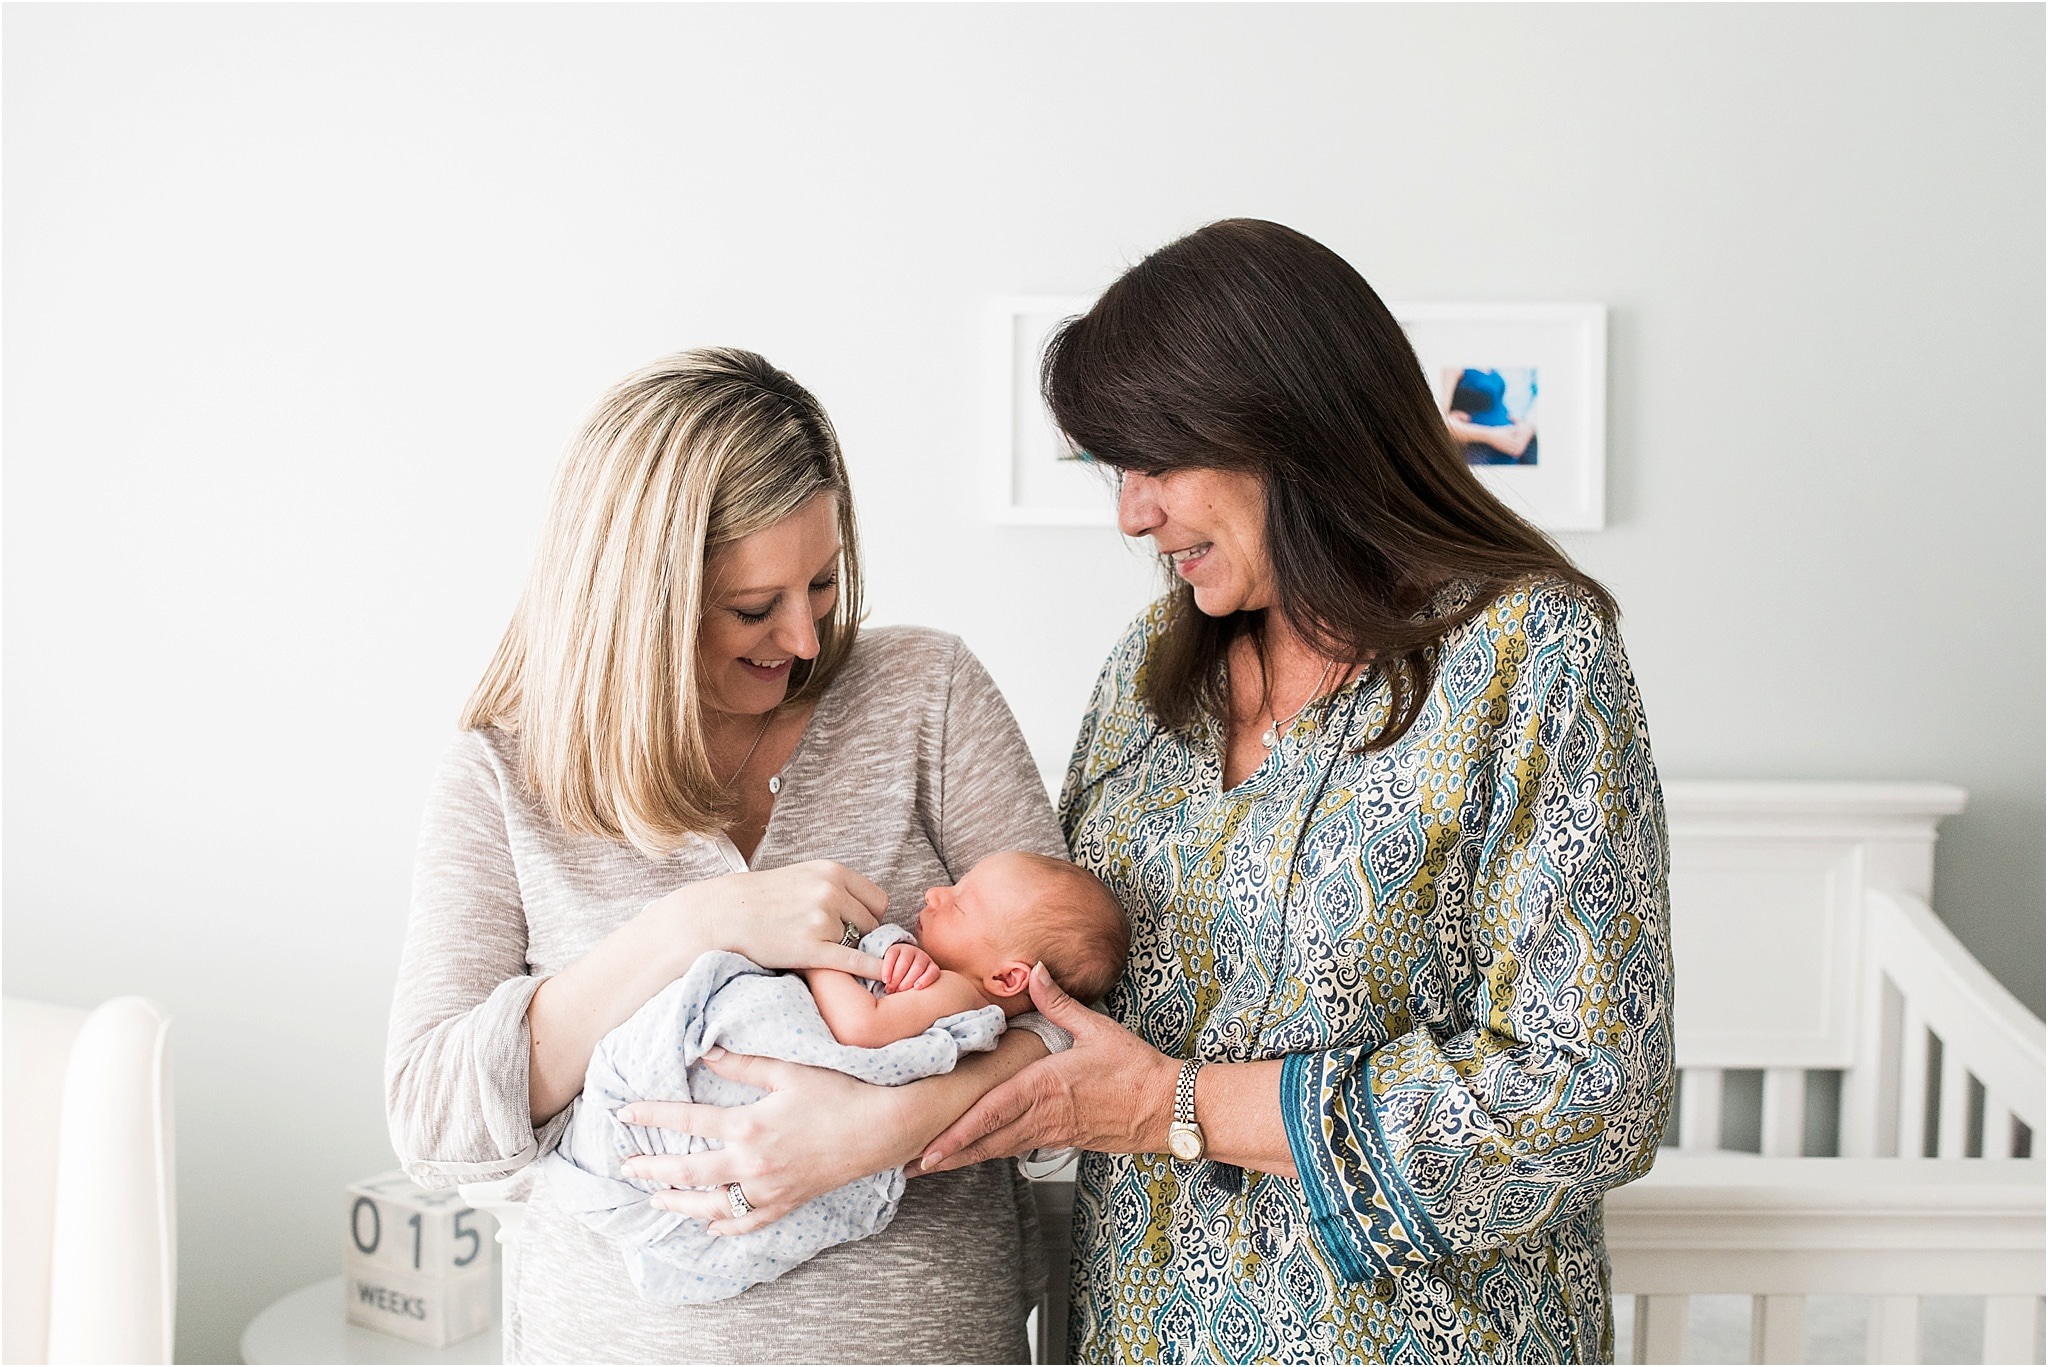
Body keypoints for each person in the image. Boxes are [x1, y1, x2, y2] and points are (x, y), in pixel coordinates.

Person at [918, 219, 1676, 1364]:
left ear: (1289, 424)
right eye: (1115, 472)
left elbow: (1591, 1092)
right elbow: (1050, 989)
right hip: (1137, 1330)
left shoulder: (1531, 655)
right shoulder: (1144, 677)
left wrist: (1176, 1104)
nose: (1131, 514)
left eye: (1156, 464)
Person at [385, 347, 1076, 1362]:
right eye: (754, 606)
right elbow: (436, 1119)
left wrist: (879, 1126)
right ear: (640, 601)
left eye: (825, 583)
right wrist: (692, 927)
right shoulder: (505, 771)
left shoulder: (924, 696)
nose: (802, 637)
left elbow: (1084, 1028)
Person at [536, 852, 1128, 1305]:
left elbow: (859, 1030)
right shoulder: (944, 978)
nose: (936, 893)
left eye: (961, 904)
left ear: (1007, 979)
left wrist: (817, 955)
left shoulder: (960, 994)